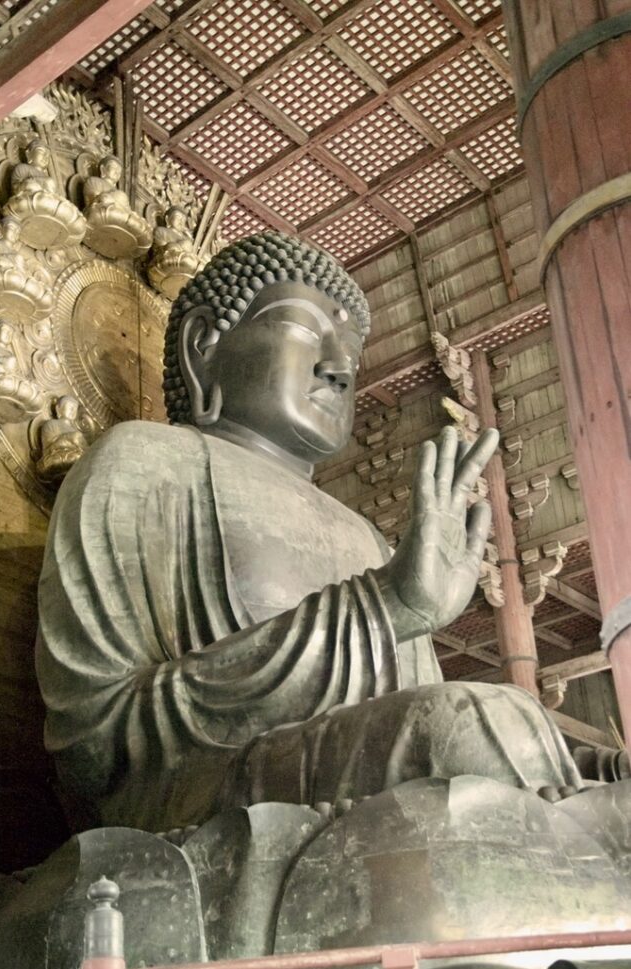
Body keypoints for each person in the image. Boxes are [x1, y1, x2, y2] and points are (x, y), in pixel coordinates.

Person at [36, 231, 581, 834]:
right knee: (476, 729)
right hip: (191, 795)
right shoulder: (145, 461)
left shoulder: (368, 538)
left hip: (355, 781)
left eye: (350, 348)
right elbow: (95, 746)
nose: (339, 366)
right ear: (202, 348)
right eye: (303, 328)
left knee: (554, 751)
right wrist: (384, 607)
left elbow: (408, 717)